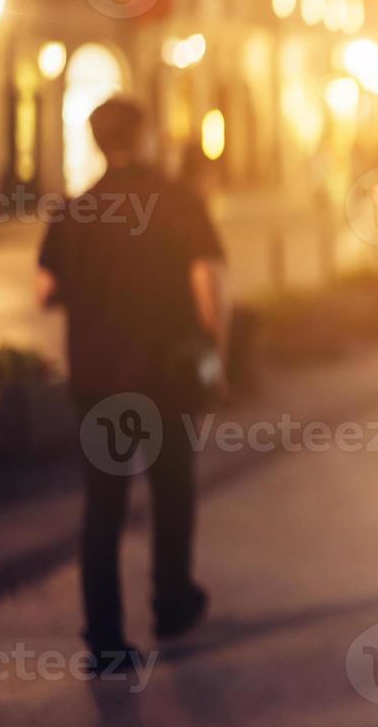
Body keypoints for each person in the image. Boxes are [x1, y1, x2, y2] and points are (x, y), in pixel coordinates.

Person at [37, 96, 227, 673]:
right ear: (143, 136)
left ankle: (105, 637)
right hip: (166, 377)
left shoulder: (75, 210)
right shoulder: (177, 201)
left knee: (103, 507)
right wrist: (215, 356)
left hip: (99, 382)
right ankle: (171, 602)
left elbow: (44, 290)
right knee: (173, 494)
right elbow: (206, 283)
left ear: (97, 143)